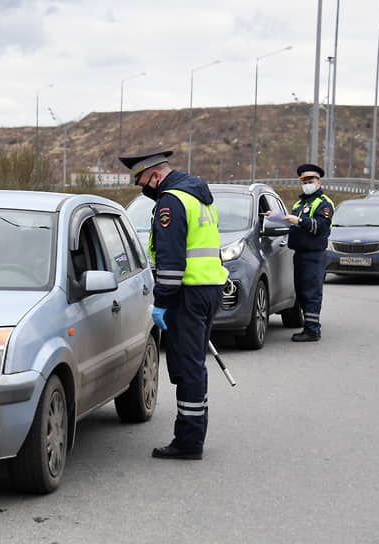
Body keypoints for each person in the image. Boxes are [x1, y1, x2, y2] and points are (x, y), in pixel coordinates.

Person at [118, 150, 227, 460]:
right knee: (192, 364)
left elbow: (171, 263)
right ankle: (191, 433)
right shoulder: (199, 196)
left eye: (142, 182)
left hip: (187, 294)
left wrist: (161, 302)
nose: (144, 189)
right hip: (208, 288)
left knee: (187, 366)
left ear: (155, 176)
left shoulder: (171, 202)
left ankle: (189, 441)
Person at [284, 163, 334, 342]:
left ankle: (312, 329)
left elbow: (320, 227)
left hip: (314, 254)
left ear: (318, 183)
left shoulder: (324, 203)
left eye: (310, 181)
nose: (306, 184)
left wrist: (299, 221)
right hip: (300, 254)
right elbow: (293, 224)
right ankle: (309, 326)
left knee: (311, 292)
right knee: (302, 291)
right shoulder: (299, 203)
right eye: (304, 181)